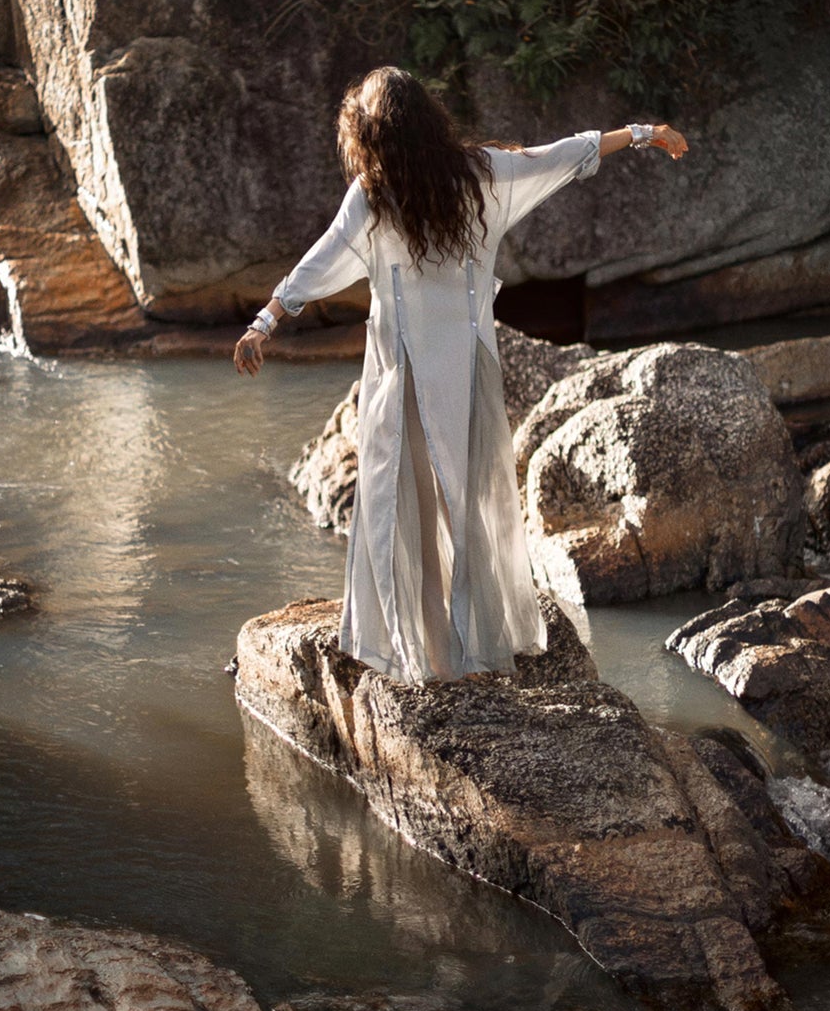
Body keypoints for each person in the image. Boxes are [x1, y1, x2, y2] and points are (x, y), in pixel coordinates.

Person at [234, 67, 689, 684]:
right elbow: (562, 155)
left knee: (411, 513)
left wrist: (266, 320)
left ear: (371, 137)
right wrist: (641, 132)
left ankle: (438, 660)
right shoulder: (479, 175)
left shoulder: (373, 197)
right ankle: (474, 651)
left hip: (403, 382)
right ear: (427, 121)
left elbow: (320, 261)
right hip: (468, 369)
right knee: (468, 508)